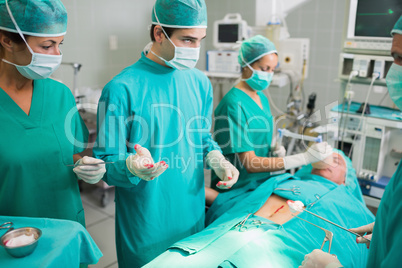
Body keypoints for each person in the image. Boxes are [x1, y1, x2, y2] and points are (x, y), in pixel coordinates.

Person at [92, 0, 239, 266]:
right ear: (159, 33)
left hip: (191, 213)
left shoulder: (199, 83)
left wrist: (218, 159)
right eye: (187, 40)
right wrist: (130, 166)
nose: (195, 50)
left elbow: (202, 138)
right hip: (146, 221)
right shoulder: (121, 88)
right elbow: (106, 163)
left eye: (199, 40)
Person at [145, 150, 374, 267]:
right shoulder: (283, 181)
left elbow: (372, 252)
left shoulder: (362, 212)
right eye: (328, 155)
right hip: (227, 238)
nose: (331, 159)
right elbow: (231, 201)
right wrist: (178, 184)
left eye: (338, 161)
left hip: (289, 253)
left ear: (347, 179)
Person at [300, 15, 402, 268]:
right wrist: (387, 226)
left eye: (337, 158)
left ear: (346, 181)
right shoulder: (293, 181)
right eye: (396, 58)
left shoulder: (347, 201)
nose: (396, 68)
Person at [0, 0, 106, 227]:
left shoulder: (60, 94)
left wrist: (84, 165)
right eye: (47, 46)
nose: (57, 55)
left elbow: (69, 155)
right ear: (7, 40)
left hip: (67, 224)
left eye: (60, 44)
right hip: (13, 236)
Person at [212, 35, 332, 191]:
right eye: (264, 69)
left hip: (261, 183)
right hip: (237, 188)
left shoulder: (260, 96)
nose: (269, 74)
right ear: (246, 65)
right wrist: (304, 158)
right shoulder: (233, 105)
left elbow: (258, 135)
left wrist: (274, 148)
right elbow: (251, 163)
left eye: (273, 69)